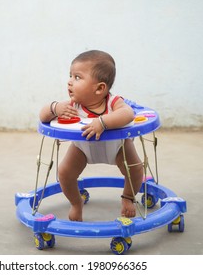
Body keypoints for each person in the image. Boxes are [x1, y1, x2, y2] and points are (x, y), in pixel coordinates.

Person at [39, 50, 143, 221]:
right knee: (64, 173)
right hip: (82, 148)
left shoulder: (113, 102)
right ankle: (76, 203)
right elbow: (43, 116)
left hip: (118, 147)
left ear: (100, 88)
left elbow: (128, 114)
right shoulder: (73, 105)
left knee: (135, 169)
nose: (70, 82)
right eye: (70, 76)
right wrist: (55, 108)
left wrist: (103, 122)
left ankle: (128, 198)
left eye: (77, 77)